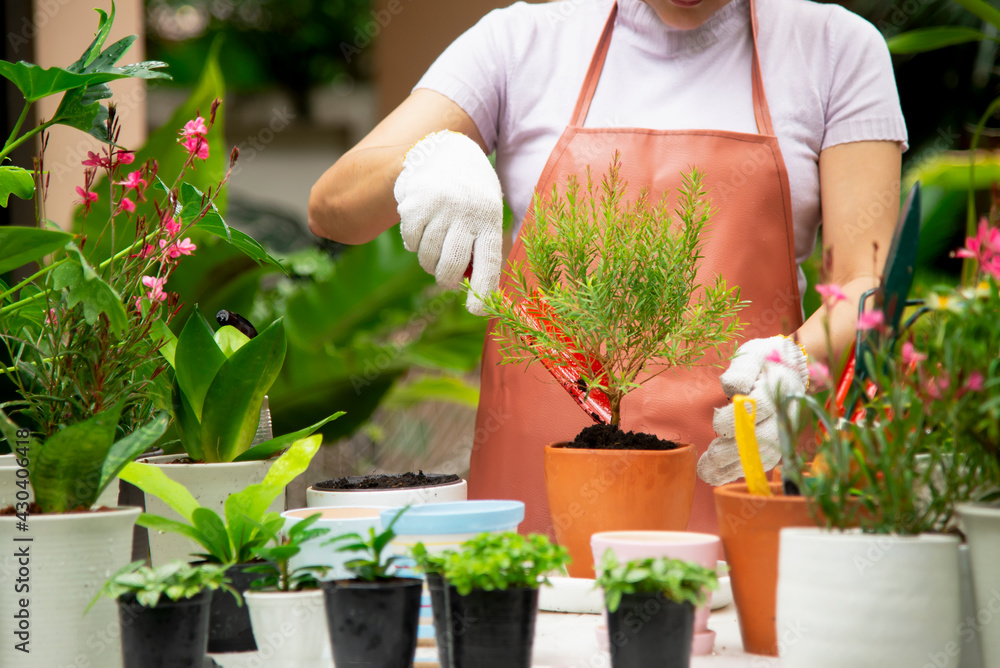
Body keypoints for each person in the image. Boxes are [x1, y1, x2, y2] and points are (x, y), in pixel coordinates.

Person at [308, 0, 906, 534]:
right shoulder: (521, 44)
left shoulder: (835, 49)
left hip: (739, 474)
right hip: (535, 498)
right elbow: (334, 208)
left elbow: (864, 281)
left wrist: (798, 361)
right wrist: (432, 158)